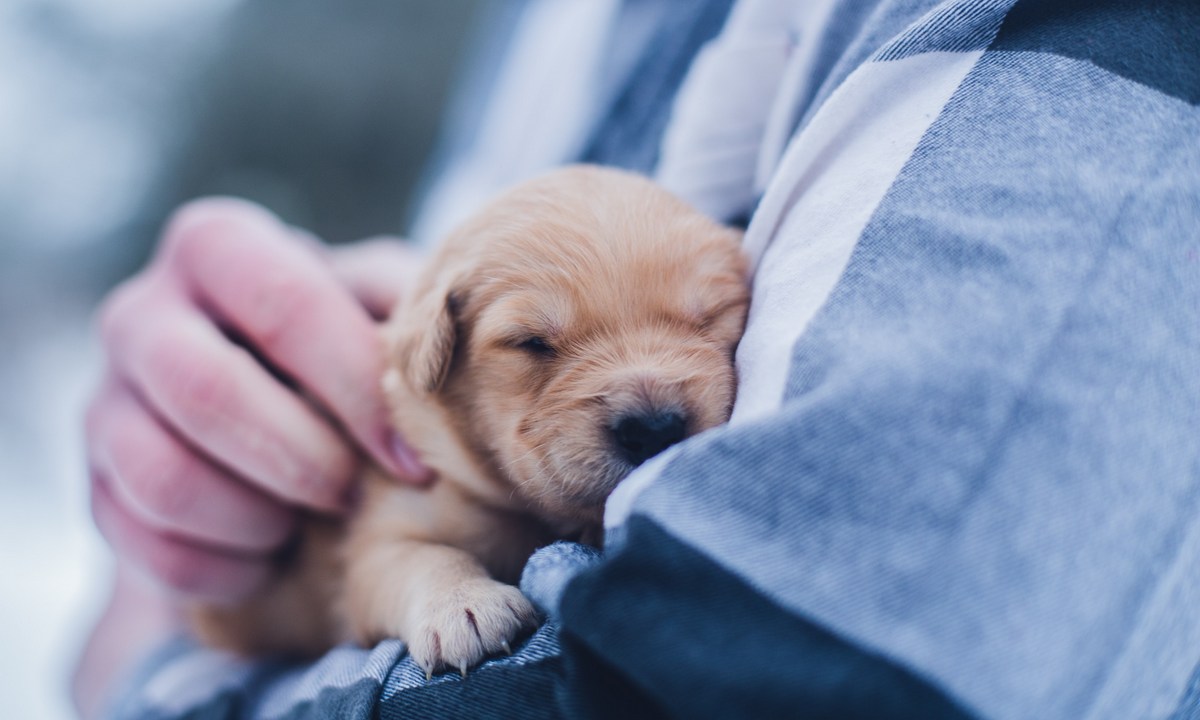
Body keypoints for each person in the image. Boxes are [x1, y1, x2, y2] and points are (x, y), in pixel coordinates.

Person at [76, 0, 1200, 718]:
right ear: (435, 355)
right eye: (536, 345)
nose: (652, 398)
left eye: (709, 318)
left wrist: (140, 673)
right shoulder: (533, 35)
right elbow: (382, 564)